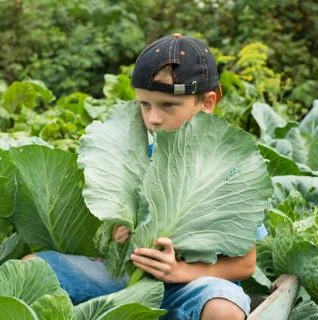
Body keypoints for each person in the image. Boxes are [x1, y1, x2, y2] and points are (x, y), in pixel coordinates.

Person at [24, 33, 268, 320]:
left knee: (223, 310)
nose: (153, 118)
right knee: (33, 268)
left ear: (208, 102)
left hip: (193, 285)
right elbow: (115, 237)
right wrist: (121, 235)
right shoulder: (140, 152)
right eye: (145, 104)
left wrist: (180, 271)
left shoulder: (232, 169)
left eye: (167, 105)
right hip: (126, 279)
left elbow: (245, 264)